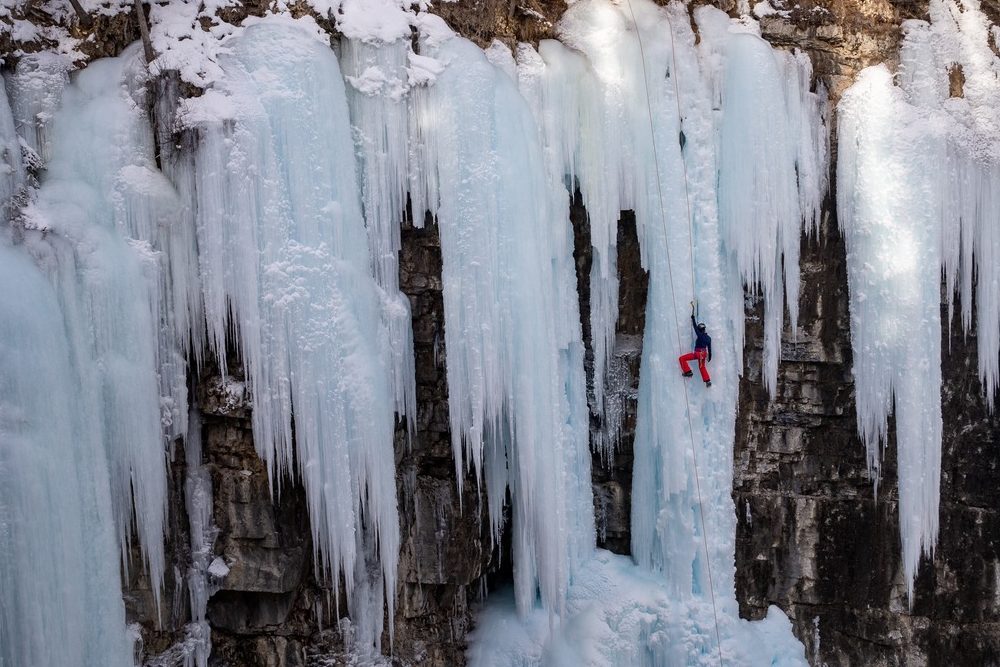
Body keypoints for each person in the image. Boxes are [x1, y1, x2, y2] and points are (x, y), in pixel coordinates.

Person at [678, 301, 712, 387]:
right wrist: (710, 357)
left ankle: (688, 371)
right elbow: (710, 349)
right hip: (703, 354)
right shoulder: (708, 338)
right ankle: (707, 381)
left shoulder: (700, 335)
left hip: (698, 354)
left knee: (682, 358)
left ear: (700, 330)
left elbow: (695, 327)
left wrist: (693, 318)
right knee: (702, 367)